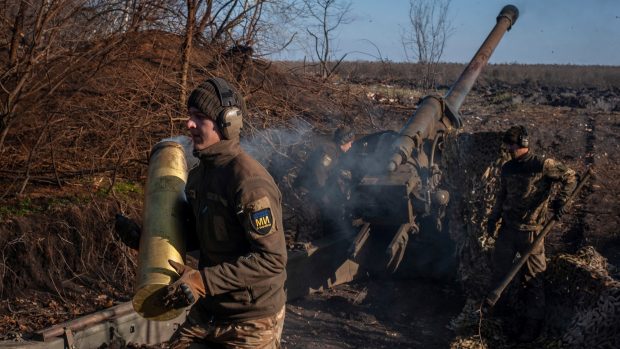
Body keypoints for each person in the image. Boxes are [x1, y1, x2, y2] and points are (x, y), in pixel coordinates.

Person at [162, 77, 287, 348]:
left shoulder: (249, 183)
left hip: (251, 321)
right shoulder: (199, 176)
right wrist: (146, 238)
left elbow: (271, 260)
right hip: (211, 311)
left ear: (227, 123)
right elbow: (203, 236)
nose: (189, 124)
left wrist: (202, 281)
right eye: (189, 115)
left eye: (199, 117)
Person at [486, 125, 576, 342]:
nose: (508, 149)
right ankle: (497, 319)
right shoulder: (508, 168)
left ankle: (531, 328)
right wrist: (493, 217)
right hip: (508, 230)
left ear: (521, 144)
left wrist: (561, 200)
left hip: (532, 234)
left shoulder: (541, 165)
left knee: (533, 280)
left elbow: (571, 176)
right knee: (499, 273)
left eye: (511, 145)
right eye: (507, 145)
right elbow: (502, 196)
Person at [294, 126, 355, 233]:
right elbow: (319, 171)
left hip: (313, 191)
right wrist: (325, 195)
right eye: (350, 142)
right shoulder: (329, 150)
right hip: (308, 192)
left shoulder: (335, 152)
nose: (351, 145)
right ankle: (301, 246)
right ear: (343, 141)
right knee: (308, 227)